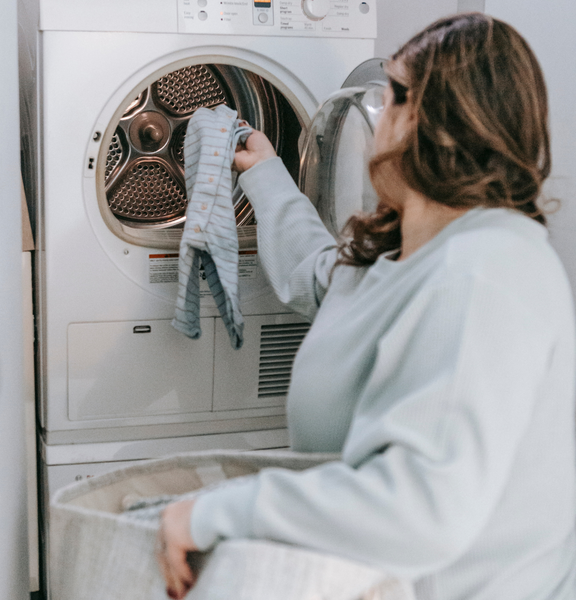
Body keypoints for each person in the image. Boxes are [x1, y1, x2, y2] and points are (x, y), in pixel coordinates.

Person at [157, 12, 576, 600]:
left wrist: (215, 513)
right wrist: (268, 176)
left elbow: (421, 509)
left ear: (436, 122)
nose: (374, 116)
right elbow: (322, 278)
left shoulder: (485, 272)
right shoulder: (407, 253)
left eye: (392, 94)